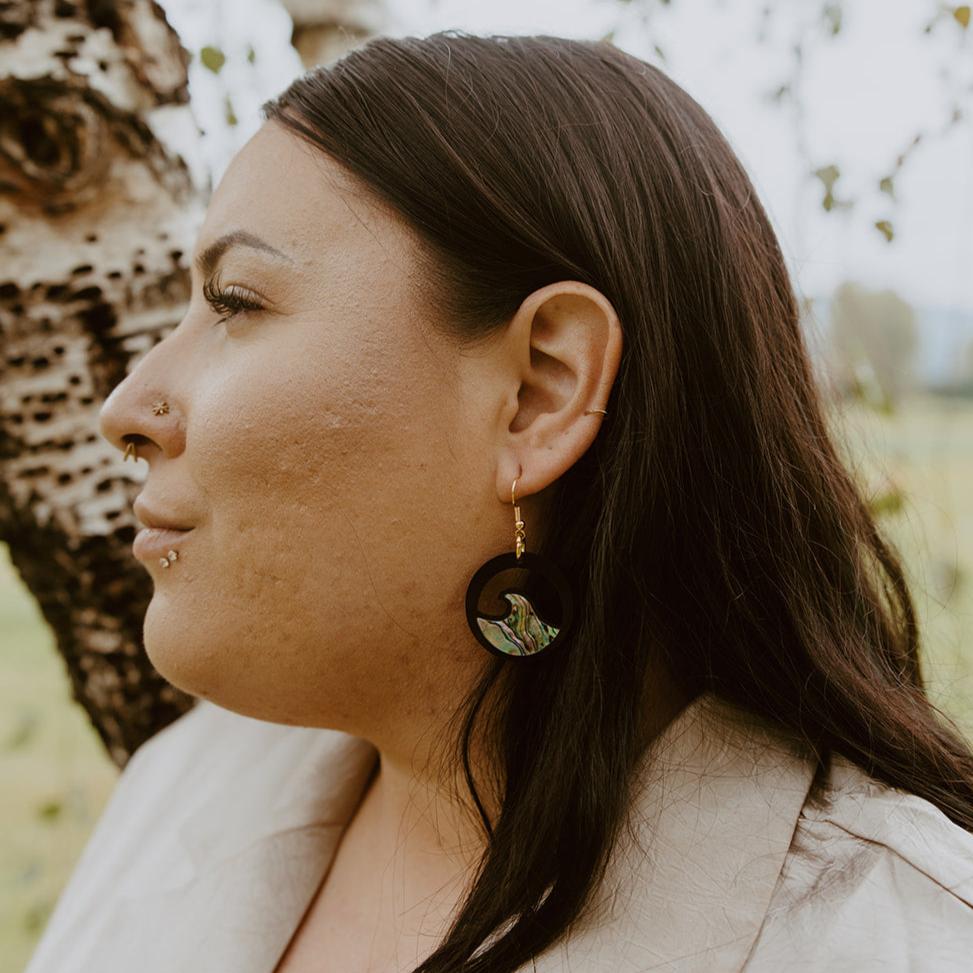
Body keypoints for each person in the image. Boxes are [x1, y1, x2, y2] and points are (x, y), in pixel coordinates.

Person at [26, 30, 973, 973]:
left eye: (235, 301)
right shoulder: (182, 787)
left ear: (538, 394)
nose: (127, 408)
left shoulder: (903, 939)